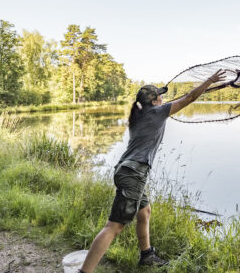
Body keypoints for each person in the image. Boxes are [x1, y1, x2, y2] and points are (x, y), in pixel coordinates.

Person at [79, 69, 226, 272]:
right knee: (114, 226)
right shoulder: (157, 113)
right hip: (134, 173)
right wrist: (209, 80)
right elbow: (190, 97)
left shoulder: (140, 114)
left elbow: (175, 100)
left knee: (144, 212)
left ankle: (147, 256)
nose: (163, 97)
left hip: (128, 170)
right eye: (160, 95)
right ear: (154, 101)